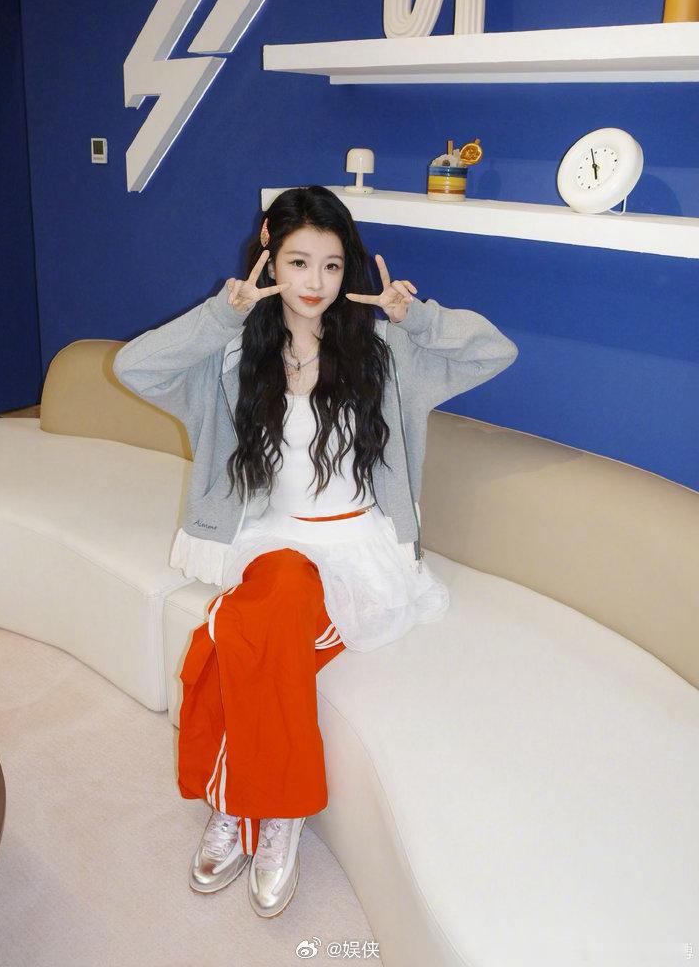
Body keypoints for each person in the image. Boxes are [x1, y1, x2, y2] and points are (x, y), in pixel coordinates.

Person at [112, 185, 518, 918]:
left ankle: (245, 807)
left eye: (332, 266)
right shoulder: (233, 357)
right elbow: (135, 367)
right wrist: (222, 313)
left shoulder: (386, 355)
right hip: (269, 543)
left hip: (357, 550)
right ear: (269, 259)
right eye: (298, 262)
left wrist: (416, 316)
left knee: (238, 633)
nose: (315, 282)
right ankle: (277, 809)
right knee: (260, 618)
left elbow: (495, 351)